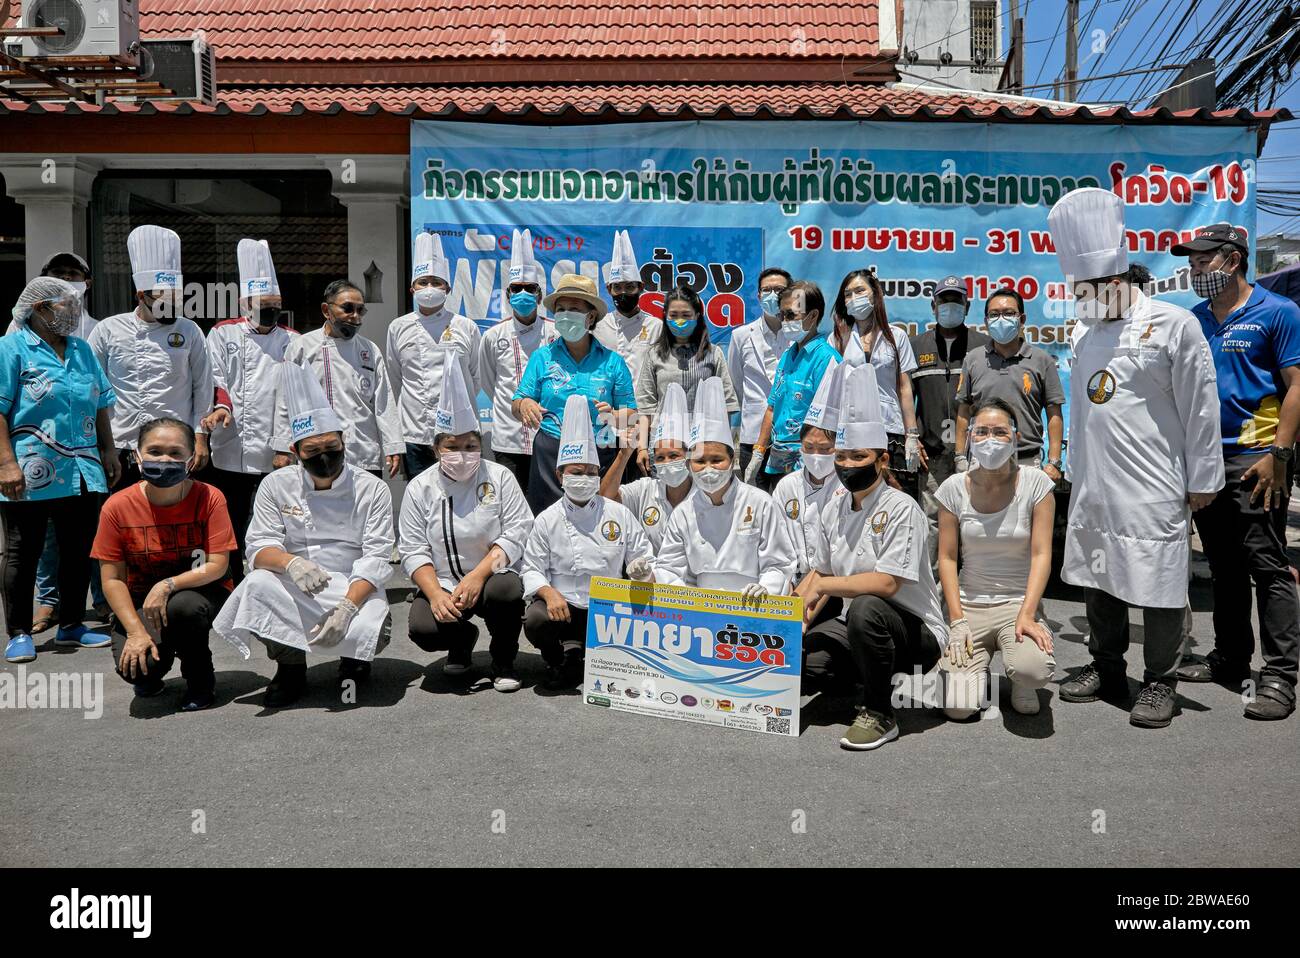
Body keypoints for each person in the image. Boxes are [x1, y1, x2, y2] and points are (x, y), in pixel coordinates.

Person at [1048, 188, 1224, 729]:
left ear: (1119, 279)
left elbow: (1201, 407)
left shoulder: (1175, 325)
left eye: (1093, 288)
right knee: (1097, 576)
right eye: (1079, 289)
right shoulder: (1081, 330)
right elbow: (1083, 406)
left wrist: (1204, 479)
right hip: (1096, 481)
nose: (1085, 297)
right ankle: (1105, 665)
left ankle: (1160, 680)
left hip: (1155, 484)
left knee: (1159, 580)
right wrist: (1074, 468)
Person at [1172, 223, 1300, 720]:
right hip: (1206, 461)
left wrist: (1280, 455)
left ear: (1233, 260)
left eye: (1204, 260)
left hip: (1257, 458)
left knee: (1266, 565)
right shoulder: (1192, 320)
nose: (1195, 269)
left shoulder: (1279, 312)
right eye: (1192, 262)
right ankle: (1229, 656)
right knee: (1223, 565)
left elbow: (1296, 386)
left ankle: (1280, 675)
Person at [215, 363, 395, 707]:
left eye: (331, 446)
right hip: (296, 584)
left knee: (371, 627)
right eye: (312, 451)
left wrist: (346, 608)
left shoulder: (372, 489)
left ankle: (354, 659)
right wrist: (291, 562)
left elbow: (376, 558)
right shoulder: (275, 485)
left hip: (352, 585)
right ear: (296, 452)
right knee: (256, 586)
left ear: (343, 441)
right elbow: (258, 546)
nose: (324, 456)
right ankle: (290, 665)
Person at [794, 363, 948, 751]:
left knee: (865, 606)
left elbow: (886, 583)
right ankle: (866, 676)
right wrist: (784, 620)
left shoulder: (902, 508)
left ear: (881, 460)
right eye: (841, 456)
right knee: (803, 662)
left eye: (857, 456)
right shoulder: (834, 508)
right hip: (860, 629)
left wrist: (823, 585)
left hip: (916, 634)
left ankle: (879, 712)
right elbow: (818, 573)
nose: (846, 465)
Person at [1, 278, 118, 664]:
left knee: (78, 550)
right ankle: (18, 632)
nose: (72, 312)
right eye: (63, 305)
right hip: (29, 471)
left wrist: (108, 449)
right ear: (38, 309)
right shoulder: (11, 348)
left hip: (82, 469)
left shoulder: (83, 351)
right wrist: (5, 463)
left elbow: (100, 403)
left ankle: (71, 624)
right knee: (24, 550)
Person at [399, 356, 533, 692]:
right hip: (443, 580)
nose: (462, 453)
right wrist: (433, 594)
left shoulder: (500, 477)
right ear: (436, 449)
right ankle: (461, 641)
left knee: (506, 591)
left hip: (490, 577)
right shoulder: (420, 487)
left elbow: (518, 532)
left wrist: (478, 575)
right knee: (423, 628)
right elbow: (413, 549)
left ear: (481, 445)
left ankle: (504, 659)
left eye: (471, 446)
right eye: (452, 447)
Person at [92, 418, 237, 712]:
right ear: (137, 455)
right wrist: (135, 631)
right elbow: (112, 579)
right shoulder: (116, 506)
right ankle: (158, 659)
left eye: (175, 452)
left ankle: (199, 680)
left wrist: (168, 584)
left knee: (182, 608)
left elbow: (218, 565)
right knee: (136, 667)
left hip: (199, 591)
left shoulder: (210, 497)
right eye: (155, 452)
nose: (165, 460)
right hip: (139, 600)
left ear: (191, 458)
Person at [520, 393, 653, 690]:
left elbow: (642, 556)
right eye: (577, 473)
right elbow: (530, 568)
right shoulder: (547, 519)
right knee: (535, 620)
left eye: (592, 473)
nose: (585, 478)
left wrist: (642, 570)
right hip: (563, 607)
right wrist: (548, 592)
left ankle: (594, 658)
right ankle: (558, 658)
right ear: (560, 475)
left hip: (608, 611)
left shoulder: (618, 513)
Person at [936, 399, 1057, 719]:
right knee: (958, 708)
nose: (990, 439)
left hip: (1017, 604)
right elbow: (947, 559)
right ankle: (976, 670)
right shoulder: (952, 489)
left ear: (1016, 438)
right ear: (970, 437)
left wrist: (1029, 613)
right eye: (982, 432)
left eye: (1000, 432)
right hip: (969, 605)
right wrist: (956, 619)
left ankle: (1022, 679)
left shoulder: (1037, 484)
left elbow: (1042, 553)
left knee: (1032, 669)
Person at [88, 225, 214, 487]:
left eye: (175, 296)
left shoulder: (189, 330)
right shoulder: (108, 330)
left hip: (174, 446)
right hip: (121, 444)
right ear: (141, 295)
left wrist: (201, 436)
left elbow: (203, 386)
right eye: (163, 297)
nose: (171, 303)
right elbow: (92, 389)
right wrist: (99, 444)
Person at [202, 239, 296, 584]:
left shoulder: (292, 340)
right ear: (245, 304)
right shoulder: (222, 333)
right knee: (230, 518)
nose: (270, 311)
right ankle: (227, 580)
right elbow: (214, 376)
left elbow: (293, 394)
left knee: (273, 520)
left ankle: (269, 581)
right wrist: (222, 407)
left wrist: (286, 445)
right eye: (262, 305)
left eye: (276, 305)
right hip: (231, 446)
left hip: (275, 451)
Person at [655, 377, 794, 598]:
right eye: (700, 461)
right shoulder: (683, 512)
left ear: (732, 460)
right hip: (701, 608)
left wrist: (766, 587)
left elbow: (779, 563)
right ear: (690, 464)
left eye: (716, 460)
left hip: (752, 605)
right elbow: (668, 568)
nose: (708, 468)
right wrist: (689, 598)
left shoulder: (760, 503)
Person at [511, 273, 637, 514]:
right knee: (548, 520)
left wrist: (613, 415)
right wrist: (524, 404)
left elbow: (632, 415)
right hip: (551, 453)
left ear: (590, 317)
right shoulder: (542, 357)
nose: (566, 315)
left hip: (600, 452)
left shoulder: (613, 362)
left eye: (574, 309)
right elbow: (517, 402)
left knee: (600, 519)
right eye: (561, 309)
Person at [273, 279, 404, 479]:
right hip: (317, 455)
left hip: (363, 452)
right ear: (326, 310)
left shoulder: (369, 350)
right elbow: (286, 400)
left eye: (361, 310)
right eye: (348, 308)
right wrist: (282, 448)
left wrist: (393, 445)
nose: (355, 316)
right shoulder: (301, 347)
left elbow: (384, 403)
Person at [387, 231, 482, 479]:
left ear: (447, 288)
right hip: (414, 432)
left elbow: (476, 378)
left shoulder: (465, 326)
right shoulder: (398, 327)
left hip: (459, 434)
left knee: (462, 496)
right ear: (412, 288)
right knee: (420, 497)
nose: (429, 288)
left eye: (436, 282)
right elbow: (395, 379)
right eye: (423, 282)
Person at [910, 275, 990, 566]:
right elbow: (904, 397)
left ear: (967, 306)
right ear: (933, 306)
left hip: (975, 454)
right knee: (933, 522)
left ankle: (974, 587)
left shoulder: (984, 345)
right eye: (944, 300)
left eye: (957, 300)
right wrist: (911, 436)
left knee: (975, 521)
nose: (950, 306)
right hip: (931, 455)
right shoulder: (915, 345)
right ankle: (933, 593)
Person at [826, 269, 923, 499]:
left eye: (860, 291)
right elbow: (834, 386)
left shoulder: (896, 336)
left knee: (897, 493)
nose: (853, 298)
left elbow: (904, 388)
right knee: (859, 494)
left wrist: (912, 435)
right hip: (852, 427)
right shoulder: (837, 338)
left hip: (891, 429)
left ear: (875, 295)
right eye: (848, 294)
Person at [955, 287, 1065, 478]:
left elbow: (1054, 412)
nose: (1001, 319)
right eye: (994, 314)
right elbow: (964, 410)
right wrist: (959, 457)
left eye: (1008, 313)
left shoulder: (1042, 360)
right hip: (981, 459)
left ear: (1021, 320)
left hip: (1027, 460)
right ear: (986, 322)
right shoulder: (973, 359)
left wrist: (1054, 461)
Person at [479, 228, 556, 495]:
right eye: (517, 288)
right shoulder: (492, 336)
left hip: (549, 436)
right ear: (509, 293)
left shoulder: (555, 333)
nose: (523, 293)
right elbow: (490, 382)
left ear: (539, 294)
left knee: (546, 502)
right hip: (507, 440)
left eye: (529, 288)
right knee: (511, 505)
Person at [747, 281, 839, 491]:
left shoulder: (827, 359)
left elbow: (828, 420)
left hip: (811, 460)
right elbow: (772, 407)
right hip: (779, 459)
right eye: (782, 315)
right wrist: (759, 452)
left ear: (813, 316)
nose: (784, 321)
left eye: (791, 315)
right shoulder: (788, 356)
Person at [634, 283, 738, 461]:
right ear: (665, 316)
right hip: (665, 446)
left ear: (697, 316)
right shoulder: (654, 355)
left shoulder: (714, 354)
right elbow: (646, 407)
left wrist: (724, 446)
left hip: (705, 445)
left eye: (686, 315)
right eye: (674, 315)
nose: (679, 320)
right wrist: (642, 448)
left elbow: (727, 404)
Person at [771, 361, 844, 584]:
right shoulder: (787, 485)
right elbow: (776, 539)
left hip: (835, 581)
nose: (816, 455)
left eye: (824, 449)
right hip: (791, 578)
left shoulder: (846, 487)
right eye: (809, 448)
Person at [599, 381, 693, 552]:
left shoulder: (704, 494)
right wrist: (624, 455)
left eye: (674, 456)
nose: (667, 462)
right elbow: (606, 498)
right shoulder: (645, 490)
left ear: (688, 456)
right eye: (660, 457)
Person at [728, 267, 794, 477]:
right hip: (753, 436)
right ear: (758, 295)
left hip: (791, 435)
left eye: (779, 290)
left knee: (791, 501)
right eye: (767, 290)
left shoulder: (799, 334)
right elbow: (736, 385)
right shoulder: (740, 336)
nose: (773, 295)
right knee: (756, 502)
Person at [594, 230, 662, 388]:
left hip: (644, 408)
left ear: (641, 287)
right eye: (617, 287)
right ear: (609, 289)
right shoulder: (598, 327)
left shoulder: (656, 327)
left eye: (630, 287)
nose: (623, 293)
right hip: (607, 407)